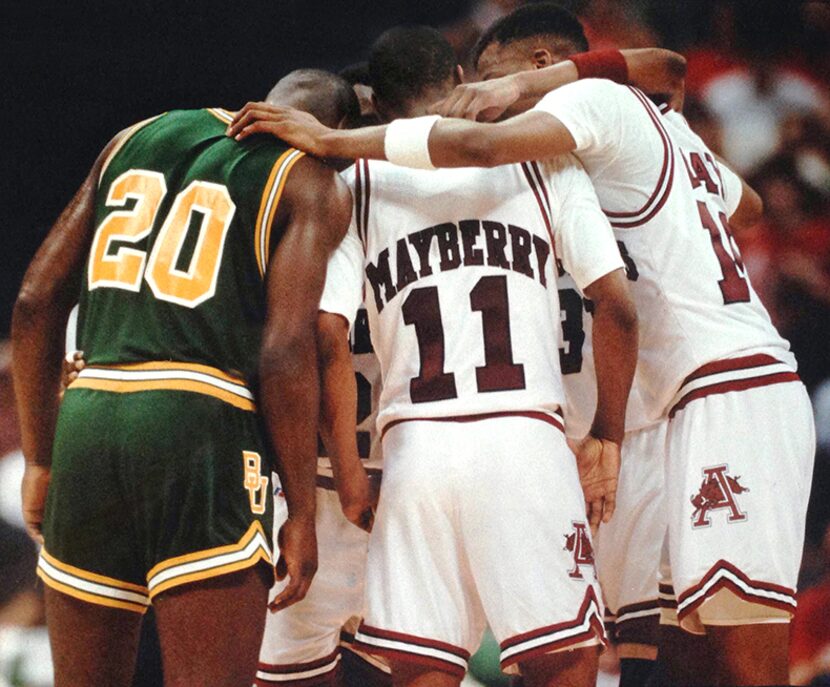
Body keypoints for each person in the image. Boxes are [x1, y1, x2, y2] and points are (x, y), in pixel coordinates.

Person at [226, 5, 816, 685]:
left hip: (712, 388)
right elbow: (743, 205)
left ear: (538, 70)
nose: (480, 99)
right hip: (632, 415)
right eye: (470, 83)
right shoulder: (609, 143)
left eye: (490, 80)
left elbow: (479, 148)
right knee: (658, 651)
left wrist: (336, 143)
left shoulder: (569, 126)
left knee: (738, 656)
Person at [241, 24, 639, 687]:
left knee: (424, 668)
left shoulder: (355, 181)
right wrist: (608, 435)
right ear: (460, 77)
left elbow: (325, 334)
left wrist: (350, 473)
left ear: (377, 105)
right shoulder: (540, 160)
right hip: (526, 439)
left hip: (411, 454)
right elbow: (618, 306)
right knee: (563, 661)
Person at [11, 69, 355, 687]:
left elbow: (35, 301)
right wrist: (301, 512)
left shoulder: (133, 137)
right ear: (335, 132)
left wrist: (40, 461)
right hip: (200, 417)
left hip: (91, 407)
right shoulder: (310, 177)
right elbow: (284, 350)